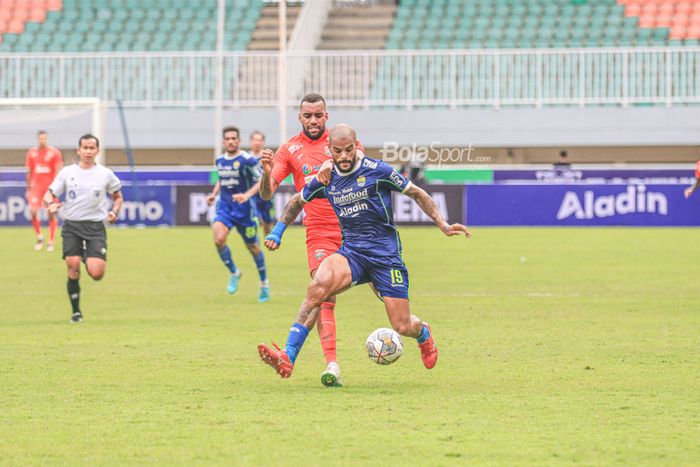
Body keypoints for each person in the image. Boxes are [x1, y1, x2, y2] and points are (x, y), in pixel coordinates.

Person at [258, 124, 471, 382]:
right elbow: (296, 202)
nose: (345, 156)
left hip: (385, 257)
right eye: (338, 151)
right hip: (353, 254)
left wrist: (443, 224)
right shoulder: (326, 178)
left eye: (349, 150)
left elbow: (416, 192)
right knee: (318, 287)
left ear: (356, 146)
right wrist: (277, 232)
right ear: (331, 151)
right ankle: (288, 356)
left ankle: (423, 333)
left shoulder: (377, 170)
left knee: (402, 325)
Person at [259, 93, 365, 387]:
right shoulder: (290, 149)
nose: (314, 120)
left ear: (326, 116)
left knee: (390, 301)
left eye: (319, 115)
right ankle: (327, 363)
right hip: (319, 232)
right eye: (308, 116)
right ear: (300, 118)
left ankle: (419, 332)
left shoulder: (343, 144)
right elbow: (267, 193)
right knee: (323, 293)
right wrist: (266, 173)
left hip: (357, 230)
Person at [44, 134, 123, 323]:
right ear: (78, 150)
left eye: (92, 148)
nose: (88, 151)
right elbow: (49, 193)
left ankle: (88, 255)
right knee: (73, 267)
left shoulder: (105, 174)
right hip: (72, 225)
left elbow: (118, 197)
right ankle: (76, 312)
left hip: (95, 227)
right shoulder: (67, 172)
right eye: (85, 148)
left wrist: (114, 211)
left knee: (96, 274)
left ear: (97, 151)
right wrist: (51, 204)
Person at [206, 126, 270, 302]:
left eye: (234, 138)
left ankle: (264, 283)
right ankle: (235, 272)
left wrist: (247, 195)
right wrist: (213, 194)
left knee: (253, 247)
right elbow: (222, 179)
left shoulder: (247, 160)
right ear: (223, 142)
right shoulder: (220, 160)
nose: (231, 141)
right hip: (225, 208)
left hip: (245, 212)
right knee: (218, 239)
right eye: (228, 139)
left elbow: (261, 180)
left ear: (239, 141)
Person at [25, 130, 63, 251]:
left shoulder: (54, 152)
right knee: (33, 211)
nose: (42, 140)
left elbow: (58, 170)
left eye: (44, 138)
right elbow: (29, 171)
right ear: (37, 139)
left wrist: (56, 188)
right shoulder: (32, 153)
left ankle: (51, 241)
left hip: (49, 189)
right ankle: (40, 236)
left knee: (51, 213)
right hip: (36, 188)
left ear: (47, 139)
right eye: (40, 138)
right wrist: (28, 188)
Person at [248, 130, 276, 236]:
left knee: (267, 218)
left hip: (265, 191)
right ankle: (252, 238)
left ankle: (268, 236)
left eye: (259, 140)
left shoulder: (267, 157)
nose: (257, 142)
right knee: (253, 216)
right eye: (255, 140)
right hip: (251, 192)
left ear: (263, 142)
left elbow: (275, 171)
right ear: (251, 141)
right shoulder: (246, 157)